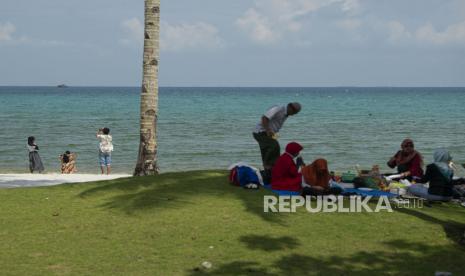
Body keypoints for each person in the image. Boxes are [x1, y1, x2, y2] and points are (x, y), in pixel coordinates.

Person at [253, 102, 301, 179]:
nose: (294, 114)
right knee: (274, 145)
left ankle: (271, 170)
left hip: (270, 133)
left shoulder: (286, 114)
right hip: (261, 131)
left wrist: (273, 134)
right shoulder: (278, 109)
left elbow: (275, 124)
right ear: (290, 107)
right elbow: (264, 118)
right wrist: (268, 130)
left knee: (271, 149)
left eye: (296, 113)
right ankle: (269, 168)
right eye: (294, 111)